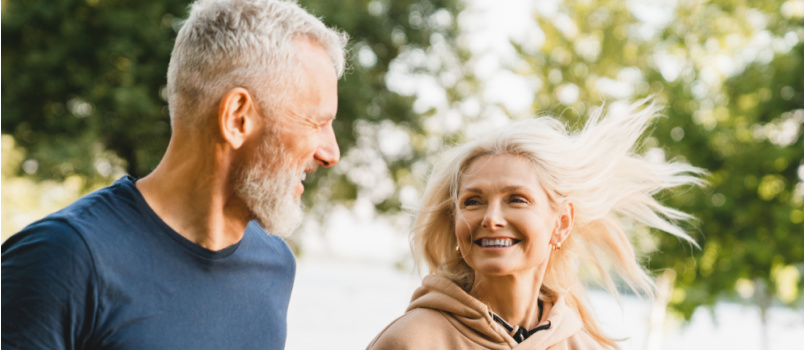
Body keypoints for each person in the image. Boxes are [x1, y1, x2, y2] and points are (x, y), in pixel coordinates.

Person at [2, 0, 347, 348]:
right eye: (316, 122)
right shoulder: (63, 259)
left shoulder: (274, 265)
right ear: (237, 118)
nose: (331, 153)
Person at [367, 100, 705, 350]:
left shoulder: (584, 346)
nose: (491, 218)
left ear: (561, 223)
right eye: (473, 201)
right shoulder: (411, 341)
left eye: (516, 199)